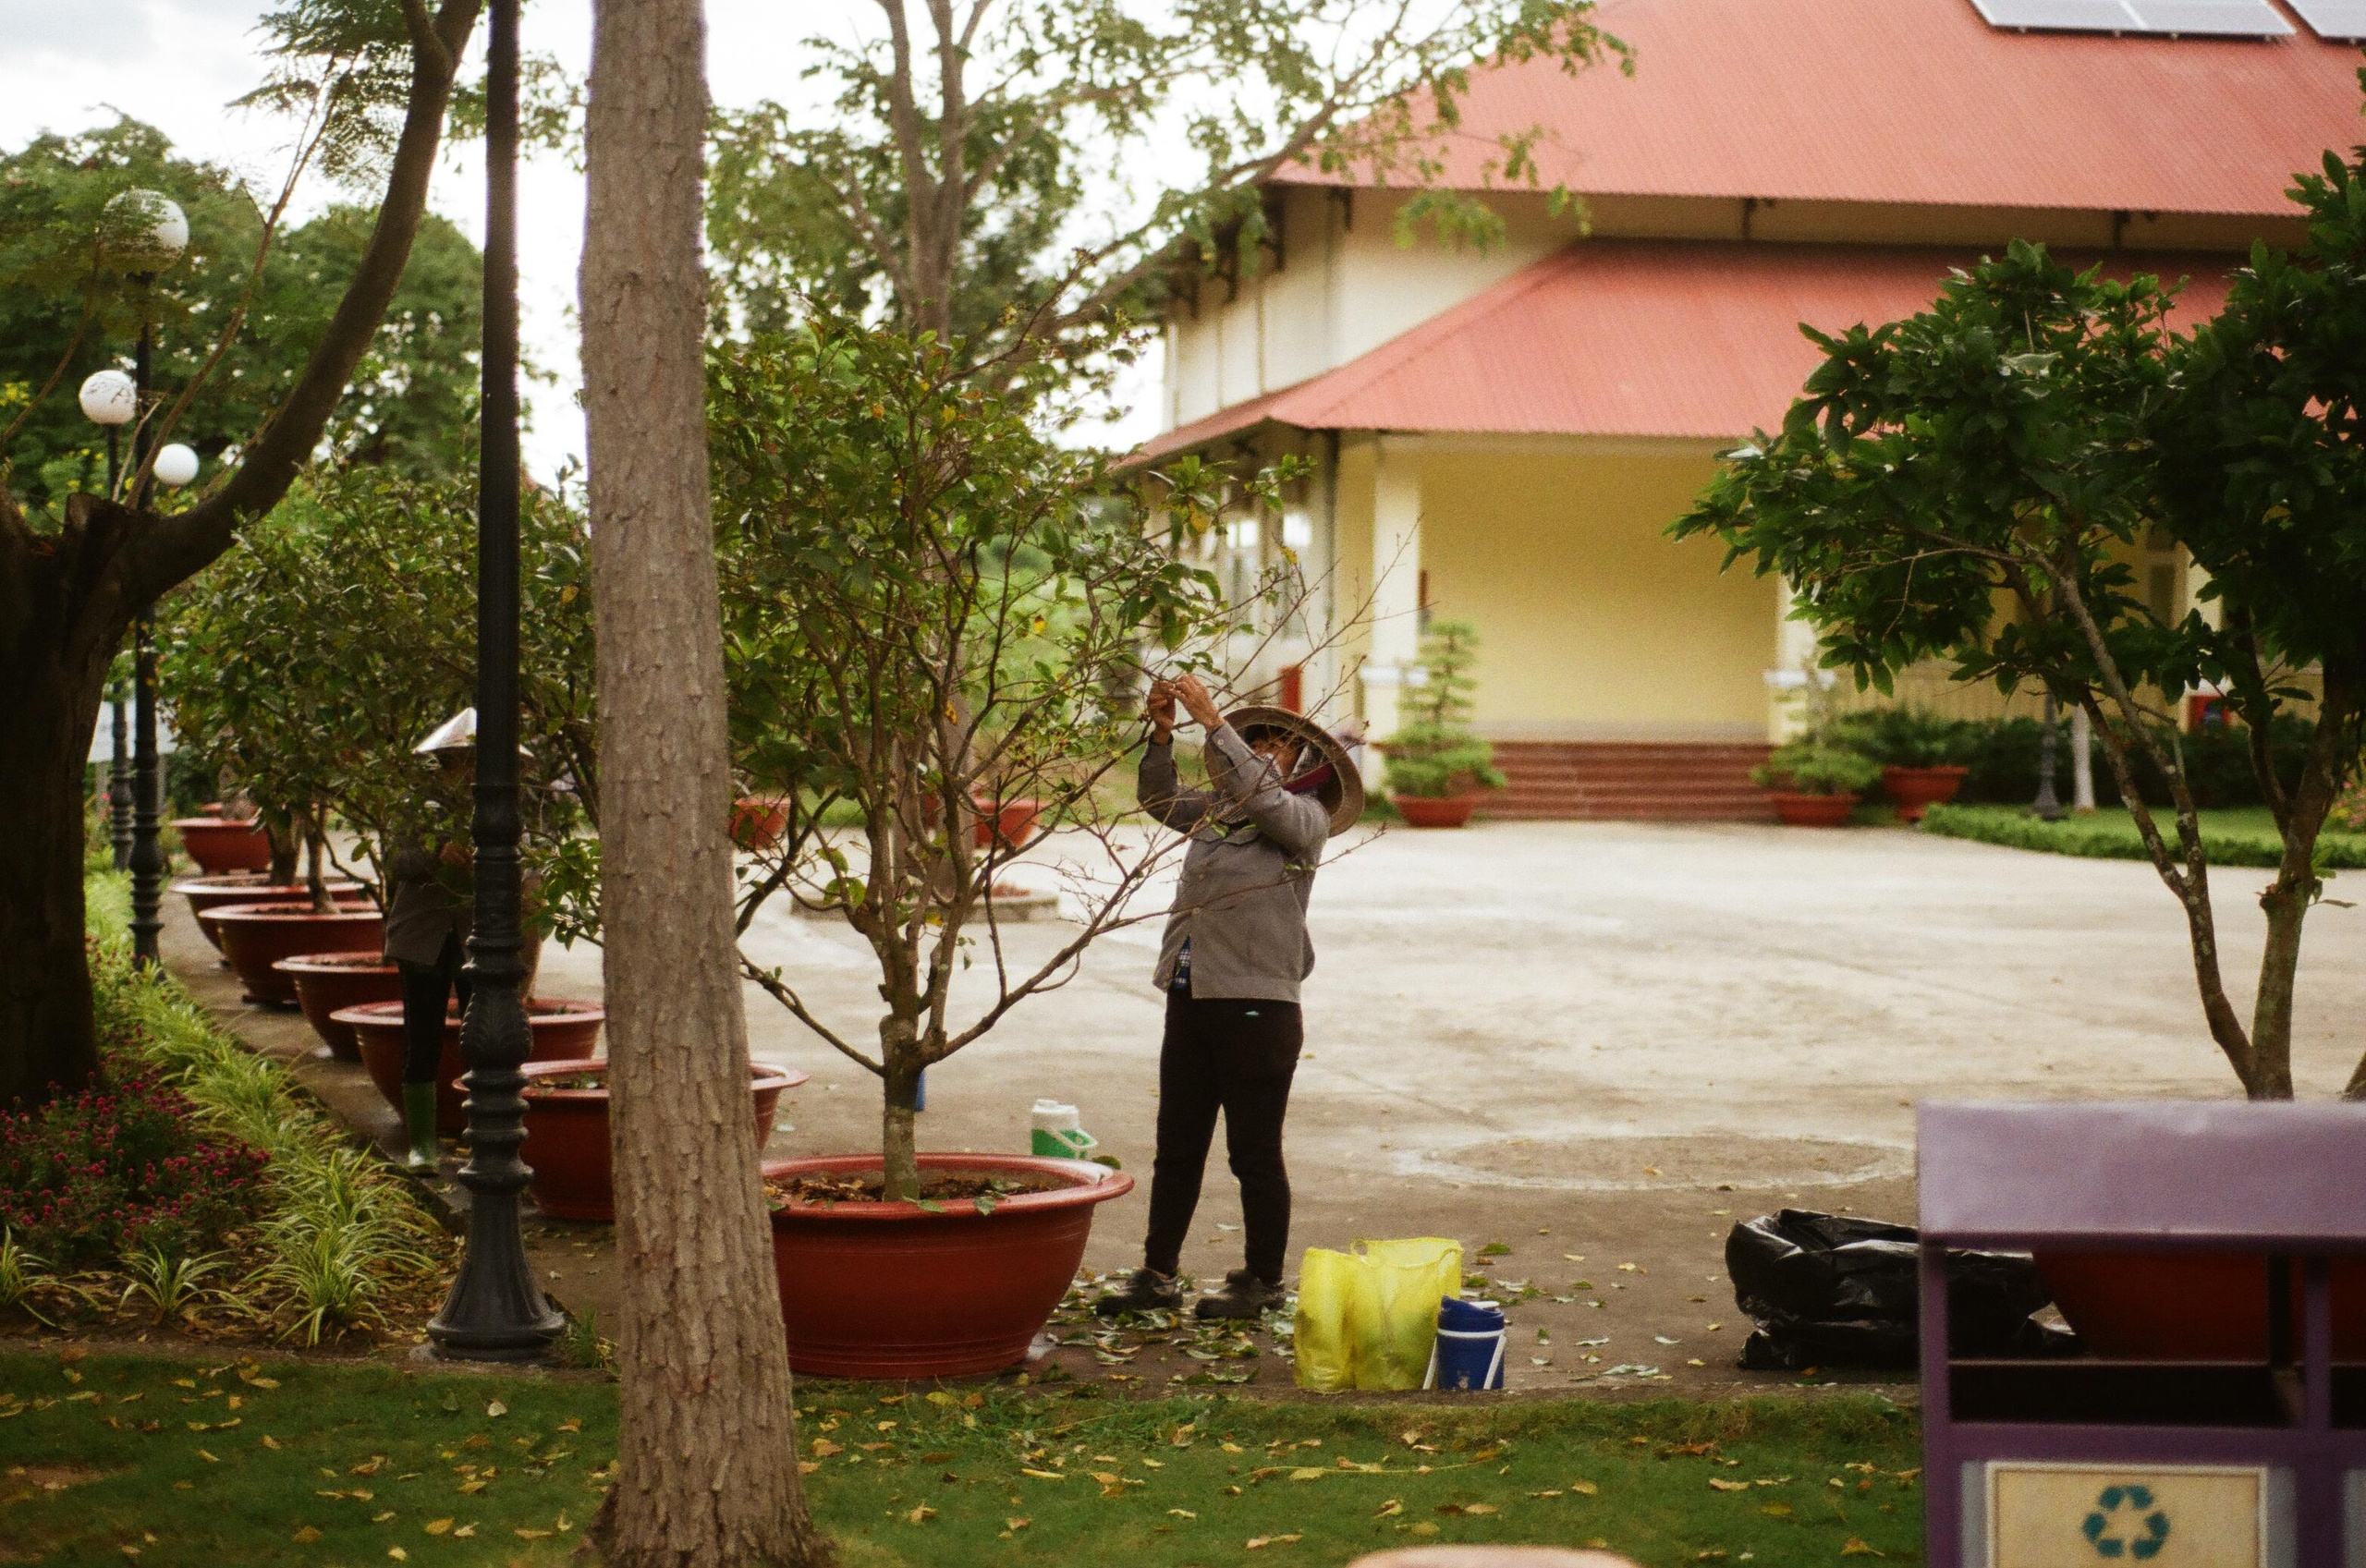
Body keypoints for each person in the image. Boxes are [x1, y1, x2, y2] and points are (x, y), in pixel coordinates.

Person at [1096, 674, 1363, 1320]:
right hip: (1191, 993)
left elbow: (1268, 800)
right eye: (1257, 741)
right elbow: (1159, 797)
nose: (1260, 752)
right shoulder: (1218, 811)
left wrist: (1216, 723)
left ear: (1304, 767)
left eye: (1274, 746)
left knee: (1253, 1152)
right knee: (1178, 1143)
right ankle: (1158, 1274)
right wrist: (1162, 732)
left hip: (1258, 1010)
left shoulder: (1305, 820)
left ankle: (1262, 1281)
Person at [384, 708, 479, 1173]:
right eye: (463, 759)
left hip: (477, 938)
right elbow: (398, 862)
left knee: (481, 1038)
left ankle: (483, 1136)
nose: (471, 768)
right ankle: (422, 1144)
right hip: (423, 936)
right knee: (422, 1036)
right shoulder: (417, 804)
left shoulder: (498, 804)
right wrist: (436, 855)